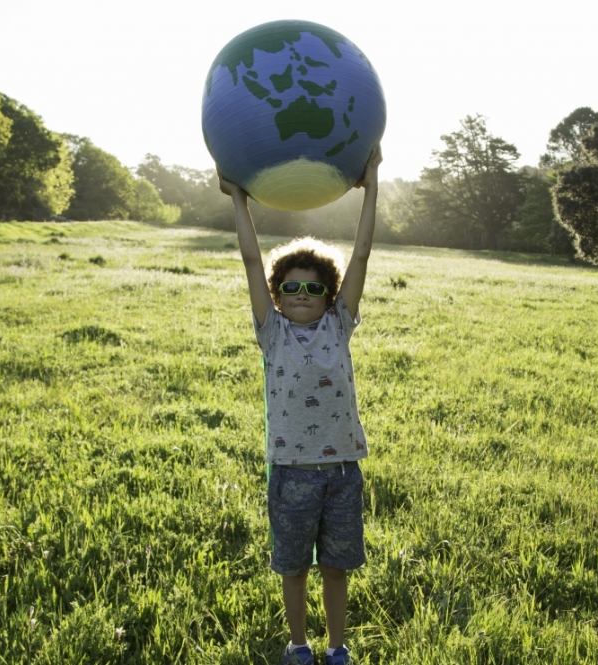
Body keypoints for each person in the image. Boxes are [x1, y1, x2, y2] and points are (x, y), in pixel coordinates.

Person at [221, 146, 381, 665]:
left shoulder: (339, 324)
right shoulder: (272, 333)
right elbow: (250, 257)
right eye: (291, 288)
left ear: (331, 296)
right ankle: (299, 646)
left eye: (314, 287)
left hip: (340, 472)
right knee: (294, 568)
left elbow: (360, 255)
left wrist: (372, 184)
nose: (303, 293)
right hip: (290, 474)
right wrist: (239, 199)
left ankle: (337, 649)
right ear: (277, 293)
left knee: (337, 568)